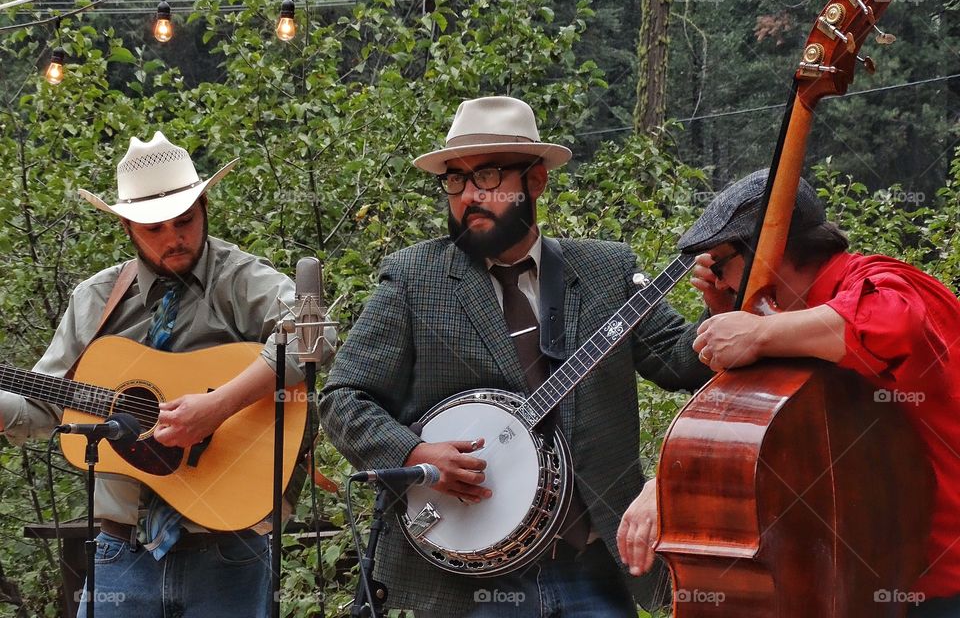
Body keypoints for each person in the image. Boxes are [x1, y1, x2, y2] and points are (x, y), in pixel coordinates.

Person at [319, 96, 711, 617]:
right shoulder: (413, 279)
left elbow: (683, 362)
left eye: (487, 176)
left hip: (592, 566)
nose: (468, 195)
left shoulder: (605, 271)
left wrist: (726, 303)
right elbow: (344, 399)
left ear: (536, 181)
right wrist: (413, 453)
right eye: (455, 180)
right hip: (466, 583)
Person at [618, 169, 960, 617]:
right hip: (865, 585)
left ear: (771, 251)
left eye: (721, 266)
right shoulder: (793, 325)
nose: (717, 283)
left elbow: (896, 324)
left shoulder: (882, 281)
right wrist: (666, 485)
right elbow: (753, 447)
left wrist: (760, 331)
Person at [0, 131, 308, 617]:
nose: (174, 239)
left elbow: (313, 338)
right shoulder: (96, 300)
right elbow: (42, 405)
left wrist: (217, 407)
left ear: (204, 206)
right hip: (120, 549)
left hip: (230, 548)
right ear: (126, 225)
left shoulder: (242, 280)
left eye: (184, 221)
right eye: (153, 228)